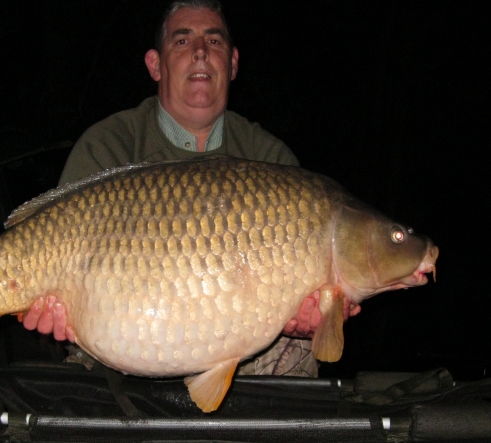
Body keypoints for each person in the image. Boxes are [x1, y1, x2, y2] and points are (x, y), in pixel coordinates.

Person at [20, 0, 360, 376]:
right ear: (155, 64)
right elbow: (53, 257)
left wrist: (303, 321)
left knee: (296, 353)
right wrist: (56, 312)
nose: (200, 52)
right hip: (122, 350)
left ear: (232, 64)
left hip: (244, 352)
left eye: (214, 42)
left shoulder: (270, 159)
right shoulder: (109, 145)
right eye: (182, 42)